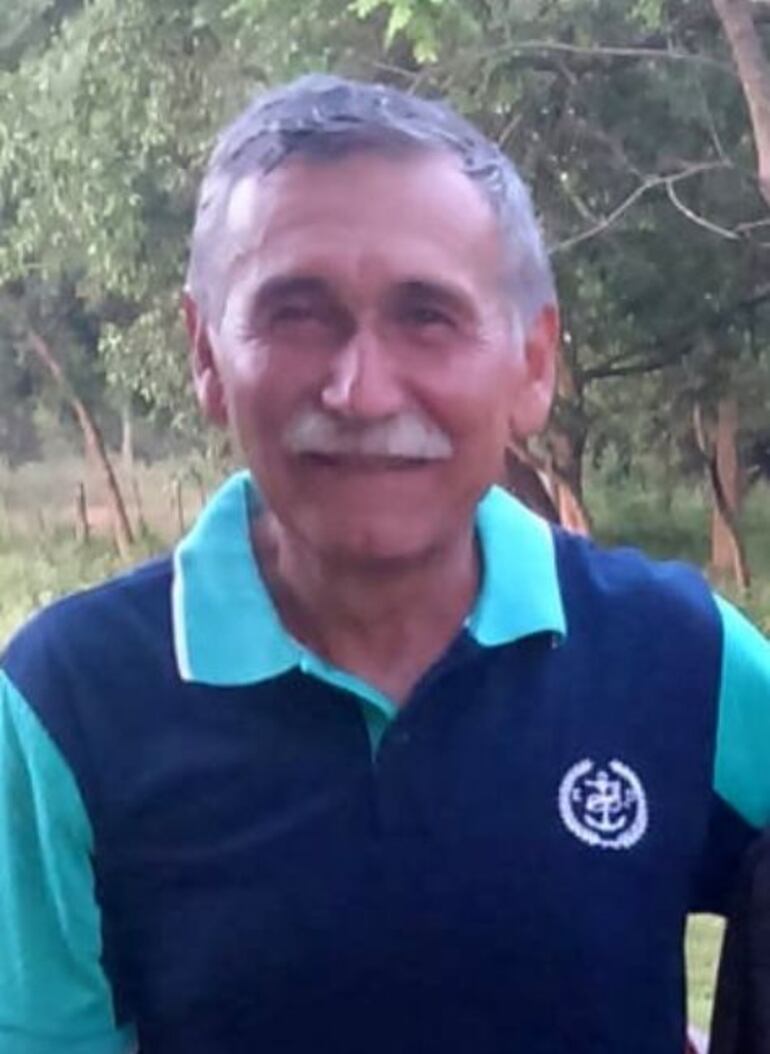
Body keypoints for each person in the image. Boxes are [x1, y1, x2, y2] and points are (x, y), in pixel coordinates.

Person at [1, 74, 769, 1054]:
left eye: (427, 315)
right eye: (296, 312)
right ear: (204, 354)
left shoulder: (675, 655)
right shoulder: (67, 703)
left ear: (532, 364)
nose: (360, 392)